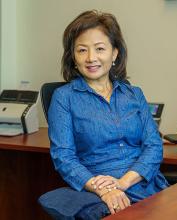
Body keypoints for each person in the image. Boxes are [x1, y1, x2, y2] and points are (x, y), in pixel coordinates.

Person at [47, 10, 169, 219]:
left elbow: (153, 145)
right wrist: (105, 190)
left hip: (143, 184)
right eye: (82, 50)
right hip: (97, 191)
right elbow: (64, 157)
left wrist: (122, 183)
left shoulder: (134, 94)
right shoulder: (64, 97)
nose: (91, 58)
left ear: (114, 53)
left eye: (100, 49)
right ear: (73, 57)